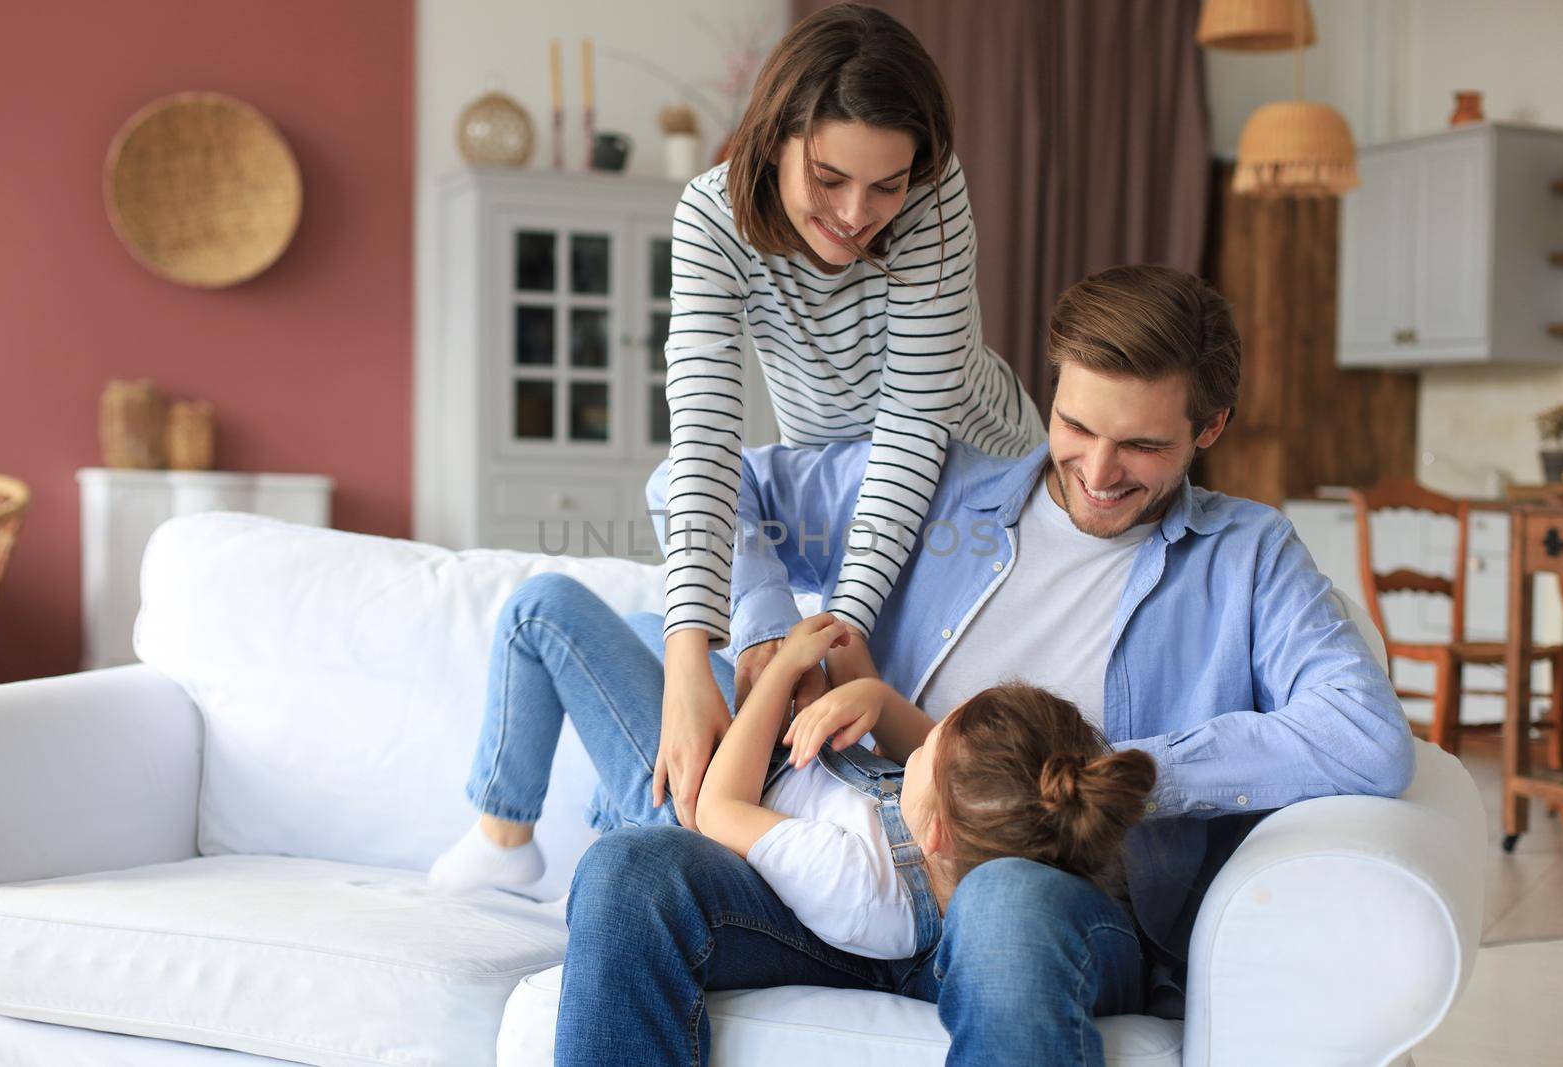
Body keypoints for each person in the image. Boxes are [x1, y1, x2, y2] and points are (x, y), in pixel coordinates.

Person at [552, 265, 1416, 1065]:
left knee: (1004, 901)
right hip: (861, 851)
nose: (1099, 471)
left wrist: (1105, 779)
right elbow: (693, 482)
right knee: (630, 872)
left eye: (1143, 446)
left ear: (1209, 428)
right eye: (1076, 424)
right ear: (1052, 391)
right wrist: (769, 639)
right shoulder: (938, 488)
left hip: (1053, 896)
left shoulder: (1246, 555)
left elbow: (1367, 736)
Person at [653, 2, 1044, 839]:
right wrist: (693, 653)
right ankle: (764, 650)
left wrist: (841, 626)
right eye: (828, 179)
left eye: (886, 185)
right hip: (837, 469)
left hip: (972, 462)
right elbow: (706, 434)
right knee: (675, 485)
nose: (857, 213)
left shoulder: (934, 199)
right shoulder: (710, 217)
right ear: (774, 139)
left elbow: (911, 429)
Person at [432, 588, 1153, 970]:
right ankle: (605, 800)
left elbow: (720, 807)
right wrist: (865, 694)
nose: (923, 735)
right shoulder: (972, 828)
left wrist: (779, 675)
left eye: (930, 745)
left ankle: (505, 835)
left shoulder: (857, 882)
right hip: (772, 759)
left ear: (934, 830)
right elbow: (931, 751)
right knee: (649, 625)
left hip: (703, 798)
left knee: (544, 611)